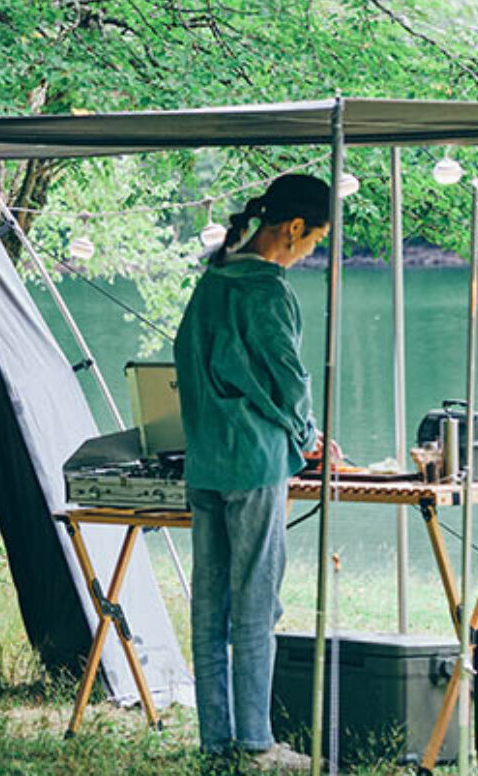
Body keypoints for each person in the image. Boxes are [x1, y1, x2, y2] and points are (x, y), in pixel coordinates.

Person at [172, 173, 331, 773]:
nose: (310, 251)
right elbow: (289, 378)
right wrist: (308, 438)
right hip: (255, 461)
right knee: (257, 604)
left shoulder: (211, 281)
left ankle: (216, 741)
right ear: (294, 228)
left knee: (210, 606)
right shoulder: (269, 289)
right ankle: (257, 743)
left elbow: (185, 366)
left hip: (206, 460)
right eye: (314, 240)